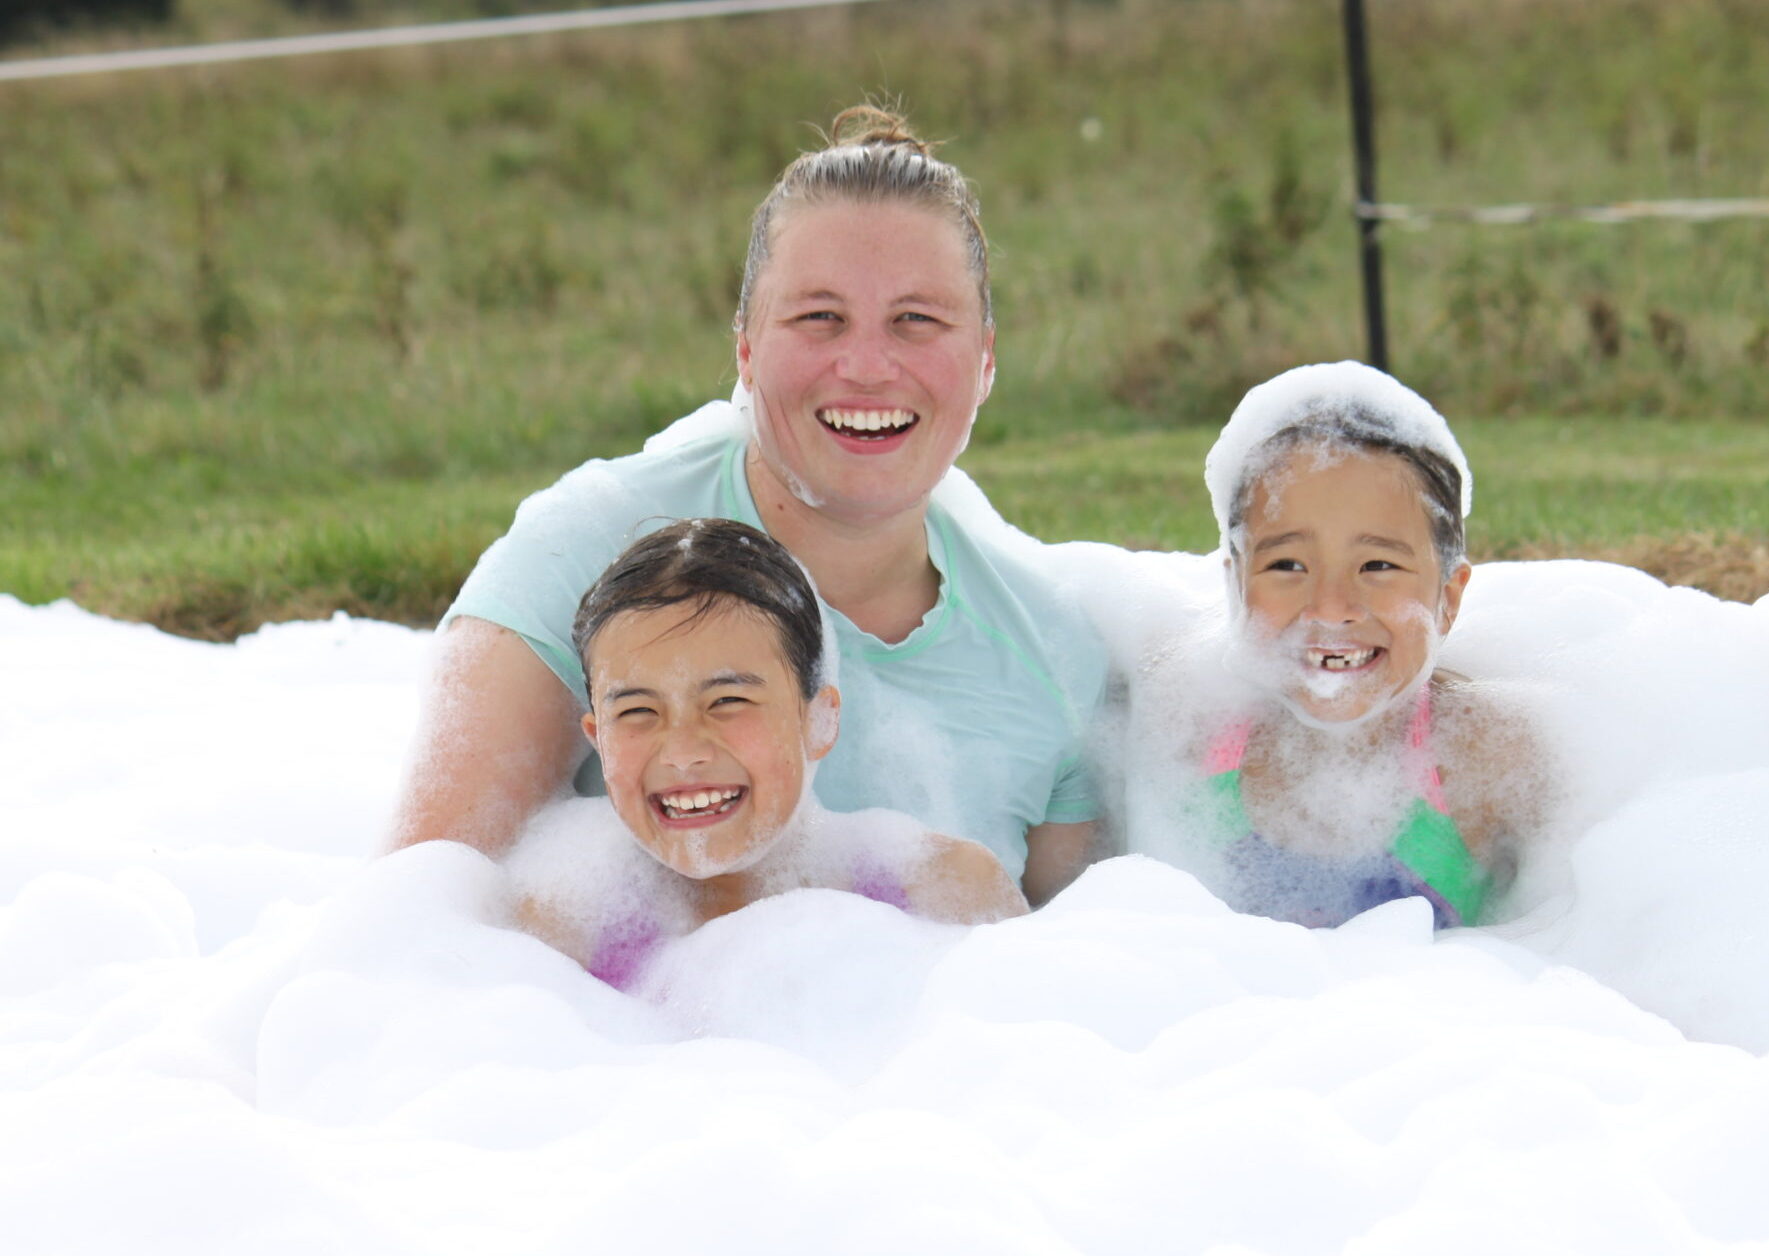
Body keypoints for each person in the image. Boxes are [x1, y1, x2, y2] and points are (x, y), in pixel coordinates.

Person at [392, 106, 1103, 904]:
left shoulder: (1055, 651)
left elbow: (1068, 969)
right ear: (745, 346)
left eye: (917, 321)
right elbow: (420, 917)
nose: (867, 366)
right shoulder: (589, 545)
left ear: (984, 361)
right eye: (819, 318)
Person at [511, 519, 1025, 990]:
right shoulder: (564, 935)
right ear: (598, 740)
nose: (684, 752)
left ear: (819, 720)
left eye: (727, 701)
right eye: (639, 711)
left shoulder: (943, 895)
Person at [1130, 362, 1548, 929]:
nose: (1330, 607)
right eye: (1287, 564)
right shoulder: (1190, 733)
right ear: (1235, 586)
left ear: (1447, 599)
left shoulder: (1486, 758)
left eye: (1377, 565)